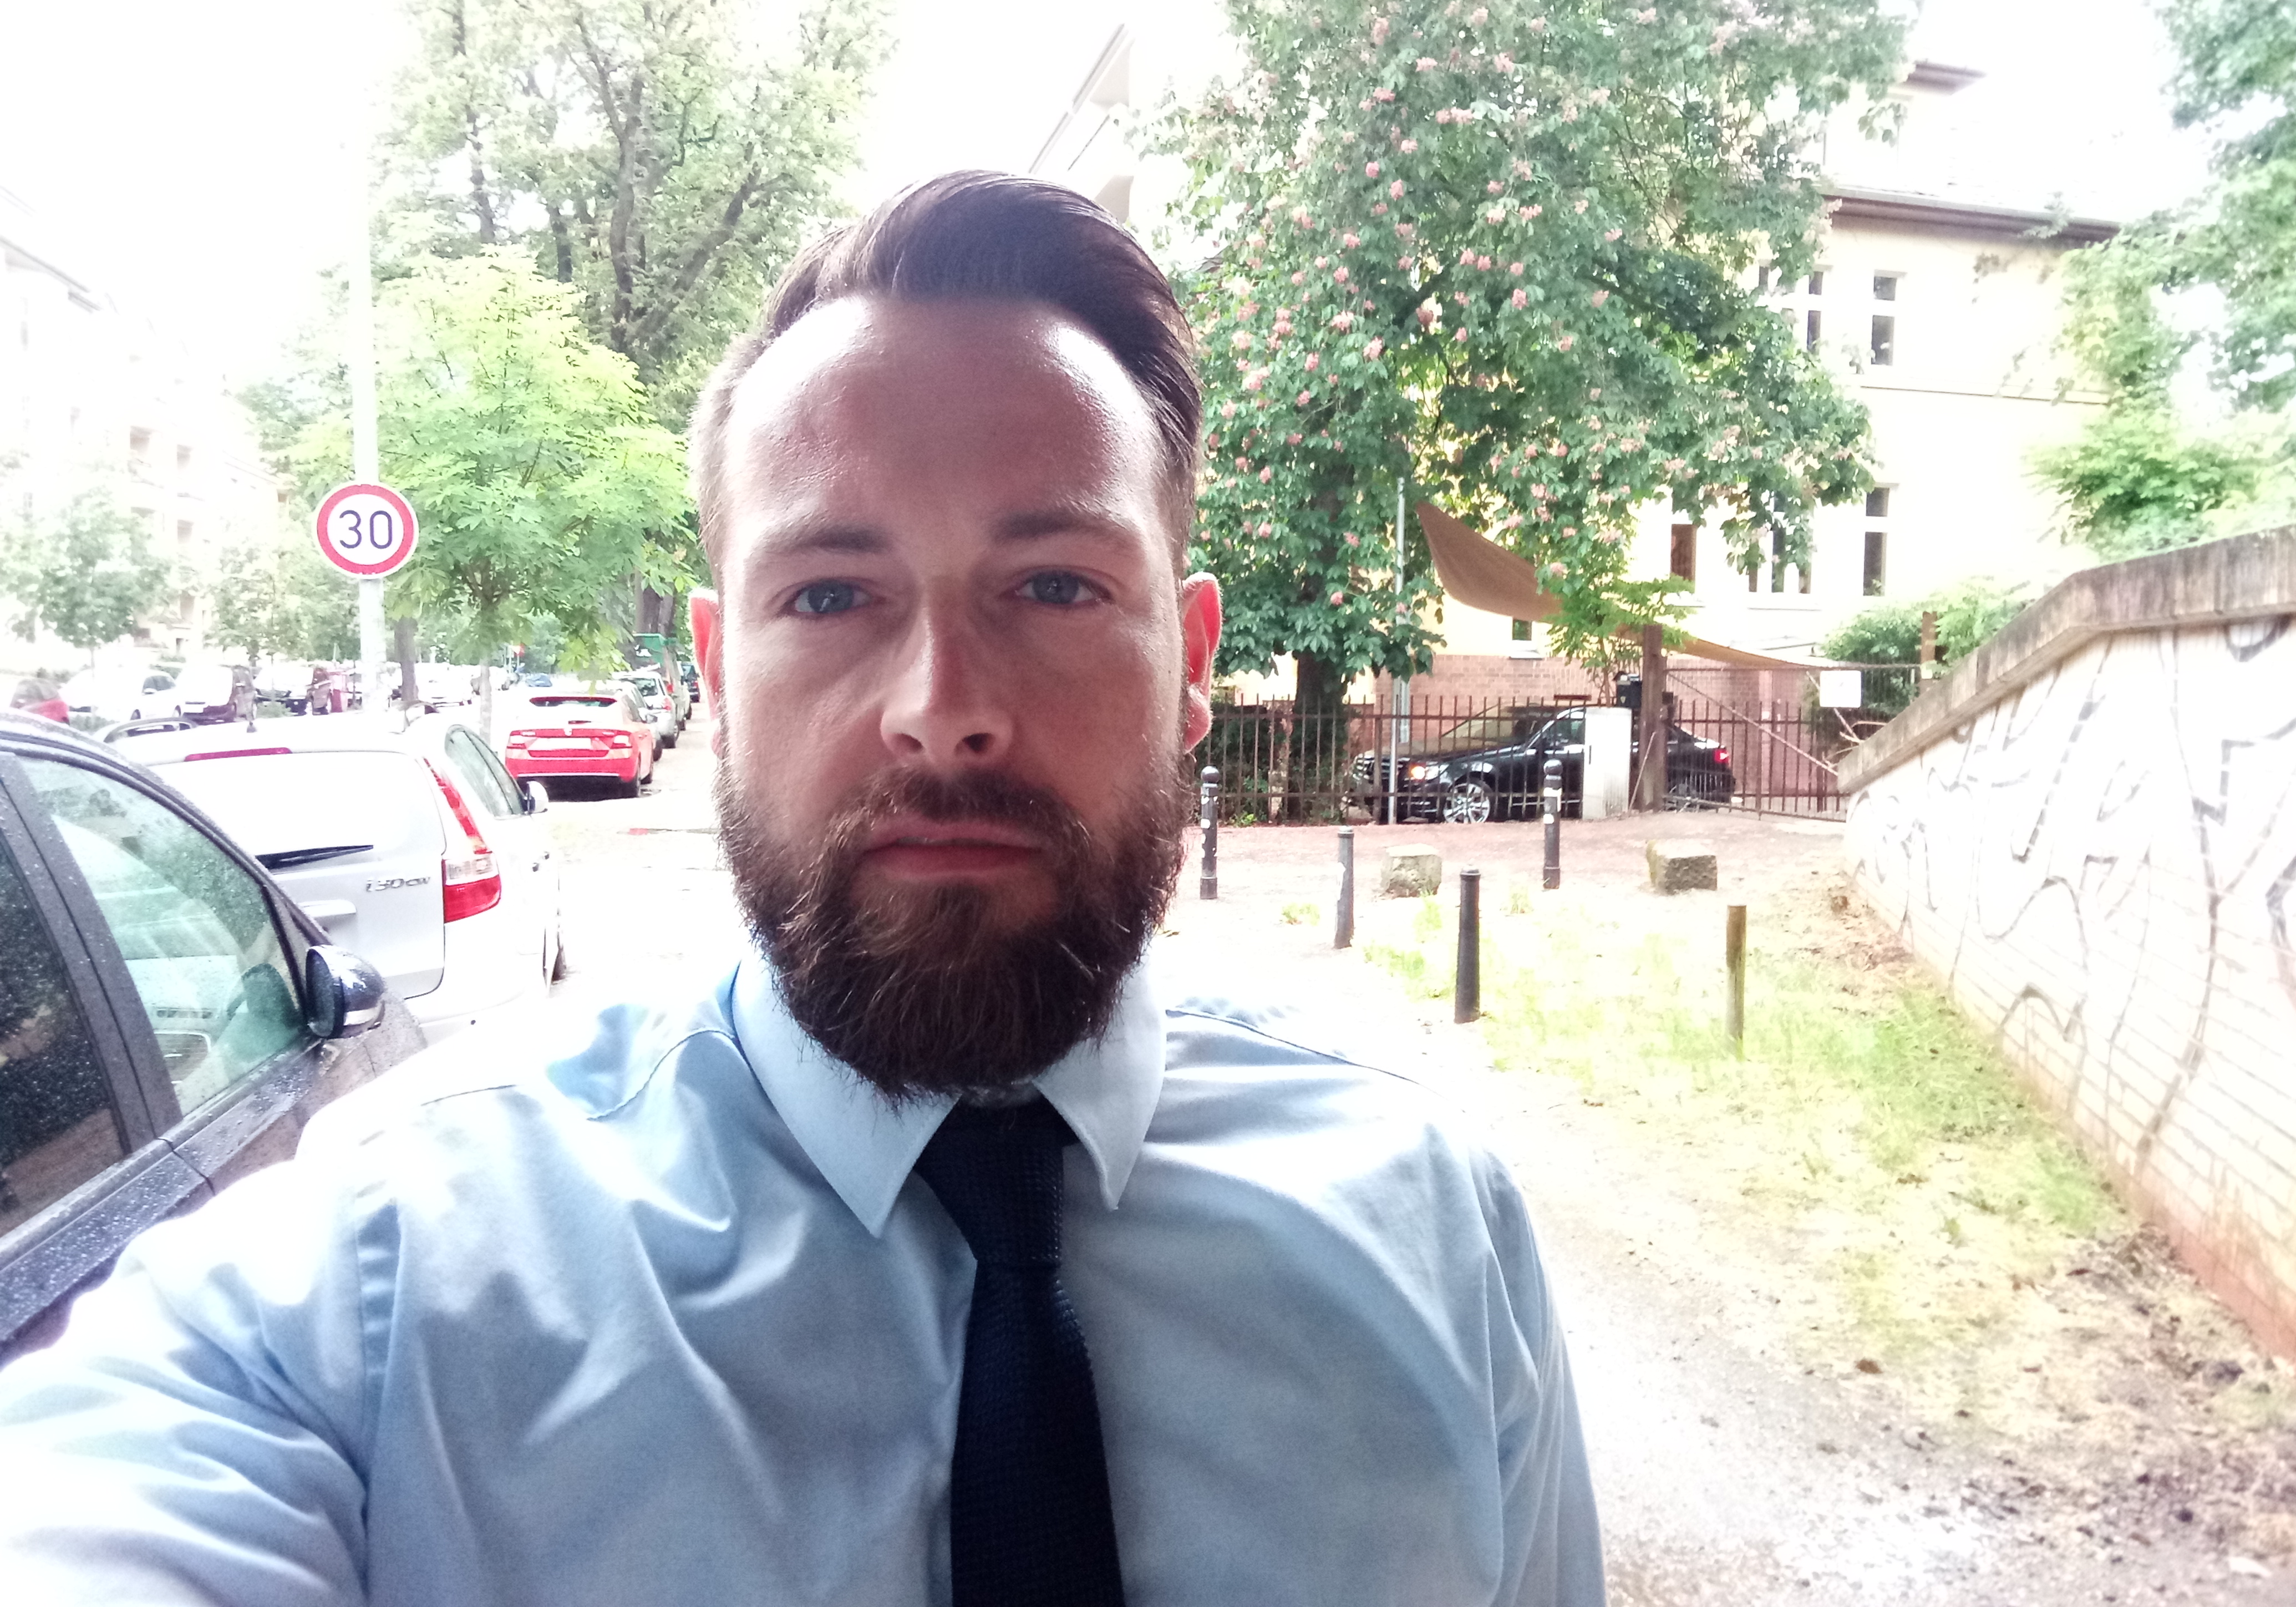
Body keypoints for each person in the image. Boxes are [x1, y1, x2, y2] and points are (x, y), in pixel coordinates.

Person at [0, 172, 1603, 1605]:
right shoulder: (378, 1284)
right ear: (718, 672)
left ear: (1189, 662)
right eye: (832, 595)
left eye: (1054, 584)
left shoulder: (1434, 1225)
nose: (942, 709)